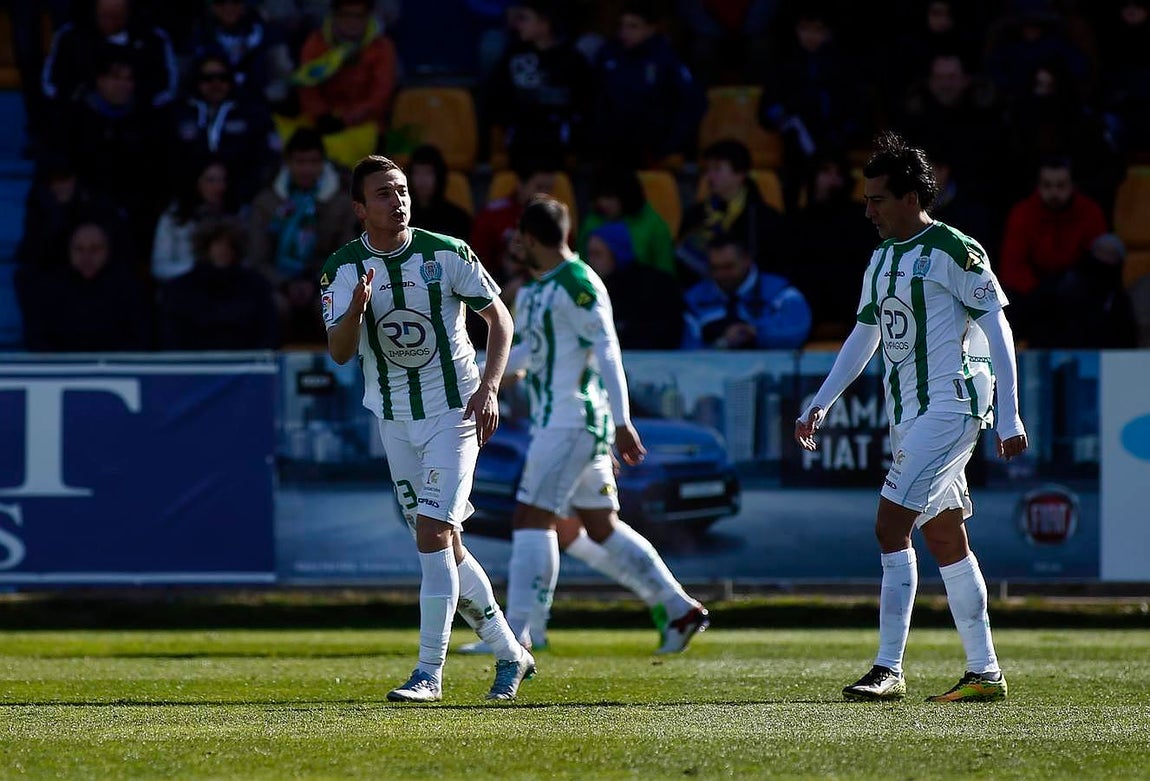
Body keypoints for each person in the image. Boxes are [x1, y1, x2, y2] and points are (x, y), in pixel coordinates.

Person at [794, 132, 1028, 703]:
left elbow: (997, 324)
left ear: (907, 197)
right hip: (909, 410)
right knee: (945, 535)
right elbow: (867, 333)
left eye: (876, 199)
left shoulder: (955, 250)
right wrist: (824, 398)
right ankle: (985, 673)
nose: (867, 209)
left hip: (952, 403)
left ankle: (887, 668)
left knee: (889, 524)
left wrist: (1010, 416)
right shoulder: (881, 258)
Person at [319, 154, 535, 703]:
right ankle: (511, 654)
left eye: (402, 190)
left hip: (456, 412)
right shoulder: (342, 270)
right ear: (360, 208)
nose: (398, 201)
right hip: (394, 419)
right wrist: (356, 311)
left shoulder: (446, 252)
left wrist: (489, 388)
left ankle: (427, 673)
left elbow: (499, 319)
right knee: (449, 545)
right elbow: (340, 354)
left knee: (432, 533)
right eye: (384, 194)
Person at [494, 194, 710, 655]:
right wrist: (483, 378)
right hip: (563, 423)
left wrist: (622, 421)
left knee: (532, 517)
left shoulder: (578, 284)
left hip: (570, 421)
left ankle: (518, 634)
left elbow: (609, 350)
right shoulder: (537, 290)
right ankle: (678, 606)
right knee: (598, 525)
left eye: (520, 238)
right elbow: (530, 354)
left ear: (530, 238)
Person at [250, 127, 356, 344]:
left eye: (313, 162)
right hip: (278, 284)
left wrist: (314, 282)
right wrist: (285, 284)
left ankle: (341, 371)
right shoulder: (266, 203)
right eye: (300, 162)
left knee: (332, 306)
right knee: (272, 305)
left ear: (323, 163)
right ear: (288, 163)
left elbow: (346, 257)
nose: (307, 169)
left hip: (324, 283)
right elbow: (257, 259)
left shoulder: (342, 203)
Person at [998, 157, 1107, 341]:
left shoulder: (1089, 212)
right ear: (1038, 187)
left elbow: (1099, 263)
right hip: (1034, 296)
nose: (1054, 192)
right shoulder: (1022, 214)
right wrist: (1042, 292)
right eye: (1047, 186)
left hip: (1078, 294)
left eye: (1061, 185)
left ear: (1072, 185)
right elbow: (1012, 268)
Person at [16, 222, 152, 352]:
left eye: (95, 249)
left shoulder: (129, 289)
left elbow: (140, 339)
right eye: (79, 249)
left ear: (108, 250)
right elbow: (38, 340)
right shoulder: (49, 290)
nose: (87, 257)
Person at [158, 217, 279, 351]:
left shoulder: (256, 287)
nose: (223, 250)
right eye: (218, 243)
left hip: (245, 366)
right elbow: (172, 339)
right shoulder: (179, 290)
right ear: (205, 247)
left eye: (229, 244)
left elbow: (267, 334)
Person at [682, 233, 811, 350]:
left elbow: (796, 331)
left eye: (728, 267)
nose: (721, 274)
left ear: (747, 260)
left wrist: (755, 333)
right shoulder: (693, 299)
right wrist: (721, 343)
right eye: (715, 268)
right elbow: (687, 349)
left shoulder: (783, 293)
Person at [152, 158, 233, 282]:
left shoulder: (232, 218)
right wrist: (197, 271)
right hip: (184, 290)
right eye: (211, 180)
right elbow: (159, 268)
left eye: (222, 180)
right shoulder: (173, 218)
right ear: (197, 182)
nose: (219, 187)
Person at [407, 144, 473, 240]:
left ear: (439, 176)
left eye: (428, 173)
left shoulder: (458, 219)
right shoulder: (401, 217)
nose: (422, 180)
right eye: (417, 173)